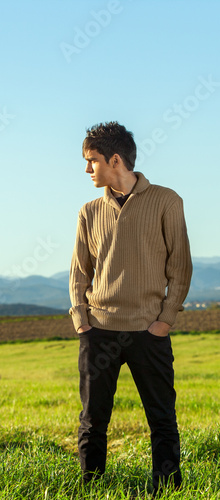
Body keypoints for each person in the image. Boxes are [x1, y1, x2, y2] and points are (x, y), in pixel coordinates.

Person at [69, 121, 192, 493]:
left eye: (91, 160)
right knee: (93, 420)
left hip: (148, 331)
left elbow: (180, 266)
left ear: (115, 159)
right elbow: (79, 271)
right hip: (99, 331)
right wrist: (81, 319)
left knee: (162, 419)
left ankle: (168, 489)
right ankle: (91, 488)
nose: (87, 169)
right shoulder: (89, 211)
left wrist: (165, 321)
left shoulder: (167, 201)